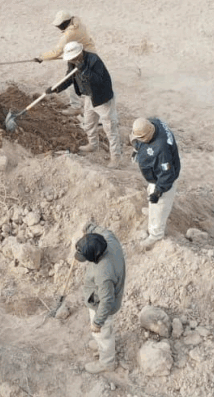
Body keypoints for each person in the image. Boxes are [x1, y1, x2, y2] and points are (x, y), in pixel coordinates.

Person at [47, 42, 122, 165]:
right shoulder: (72, 62)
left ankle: (115, 157)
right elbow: (69, 78)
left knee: (110, 128)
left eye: (74, 58)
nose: (72, 60)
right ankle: (93, 145)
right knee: (88, 124)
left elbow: (98, 80)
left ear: (80, 53)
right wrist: (55, 88)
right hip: (88, 97)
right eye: (70, 59)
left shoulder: (94, 60)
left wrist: (84, 70)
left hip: (102, 99)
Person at [75, 223, 126, 373]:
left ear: (95, 256)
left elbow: (107, 301)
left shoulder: (103, 274)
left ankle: (107, 363)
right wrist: (90, 228)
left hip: (102, 307)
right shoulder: (110, 241)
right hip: (103, 295)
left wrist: (97, 322)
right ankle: (101, 345)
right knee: (102, 335)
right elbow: (105, 231)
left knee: (103, 334)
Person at [131, 117, 180, 251]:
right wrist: (137, 150)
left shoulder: (161, 149)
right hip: (155, 176)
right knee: (151, 194)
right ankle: (153, 211)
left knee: (159, 203)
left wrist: (159, 191)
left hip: (163, 180)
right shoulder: (153, 123)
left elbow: (167, 175)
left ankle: (155, 234)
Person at [35, 11, 96, 113]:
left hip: (82, 58)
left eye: (59, 25)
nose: (58, 27)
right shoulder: (79, 24)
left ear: (65, 22)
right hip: (84, 53)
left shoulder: (69, 34)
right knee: (74, 80)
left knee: (81, 83)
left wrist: (41, 57)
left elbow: (56, 52)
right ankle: (76, 106)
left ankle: (80, 109)